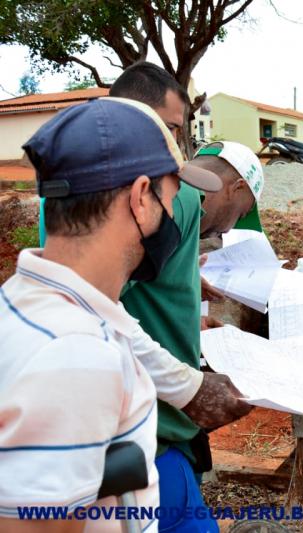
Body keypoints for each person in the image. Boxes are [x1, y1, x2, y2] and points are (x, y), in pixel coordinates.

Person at [38, 62, 260, 531]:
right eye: (172, 129)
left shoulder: (61, 199)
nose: (176, 150)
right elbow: (99, 308)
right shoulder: (165, 195)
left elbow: (98, 298)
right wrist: (189, 387)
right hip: (147, 431)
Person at [0, 97, 223, 531]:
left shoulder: (25, 302)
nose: (172, 216)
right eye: (172, 196)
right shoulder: (77, 356)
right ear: (142, 197)